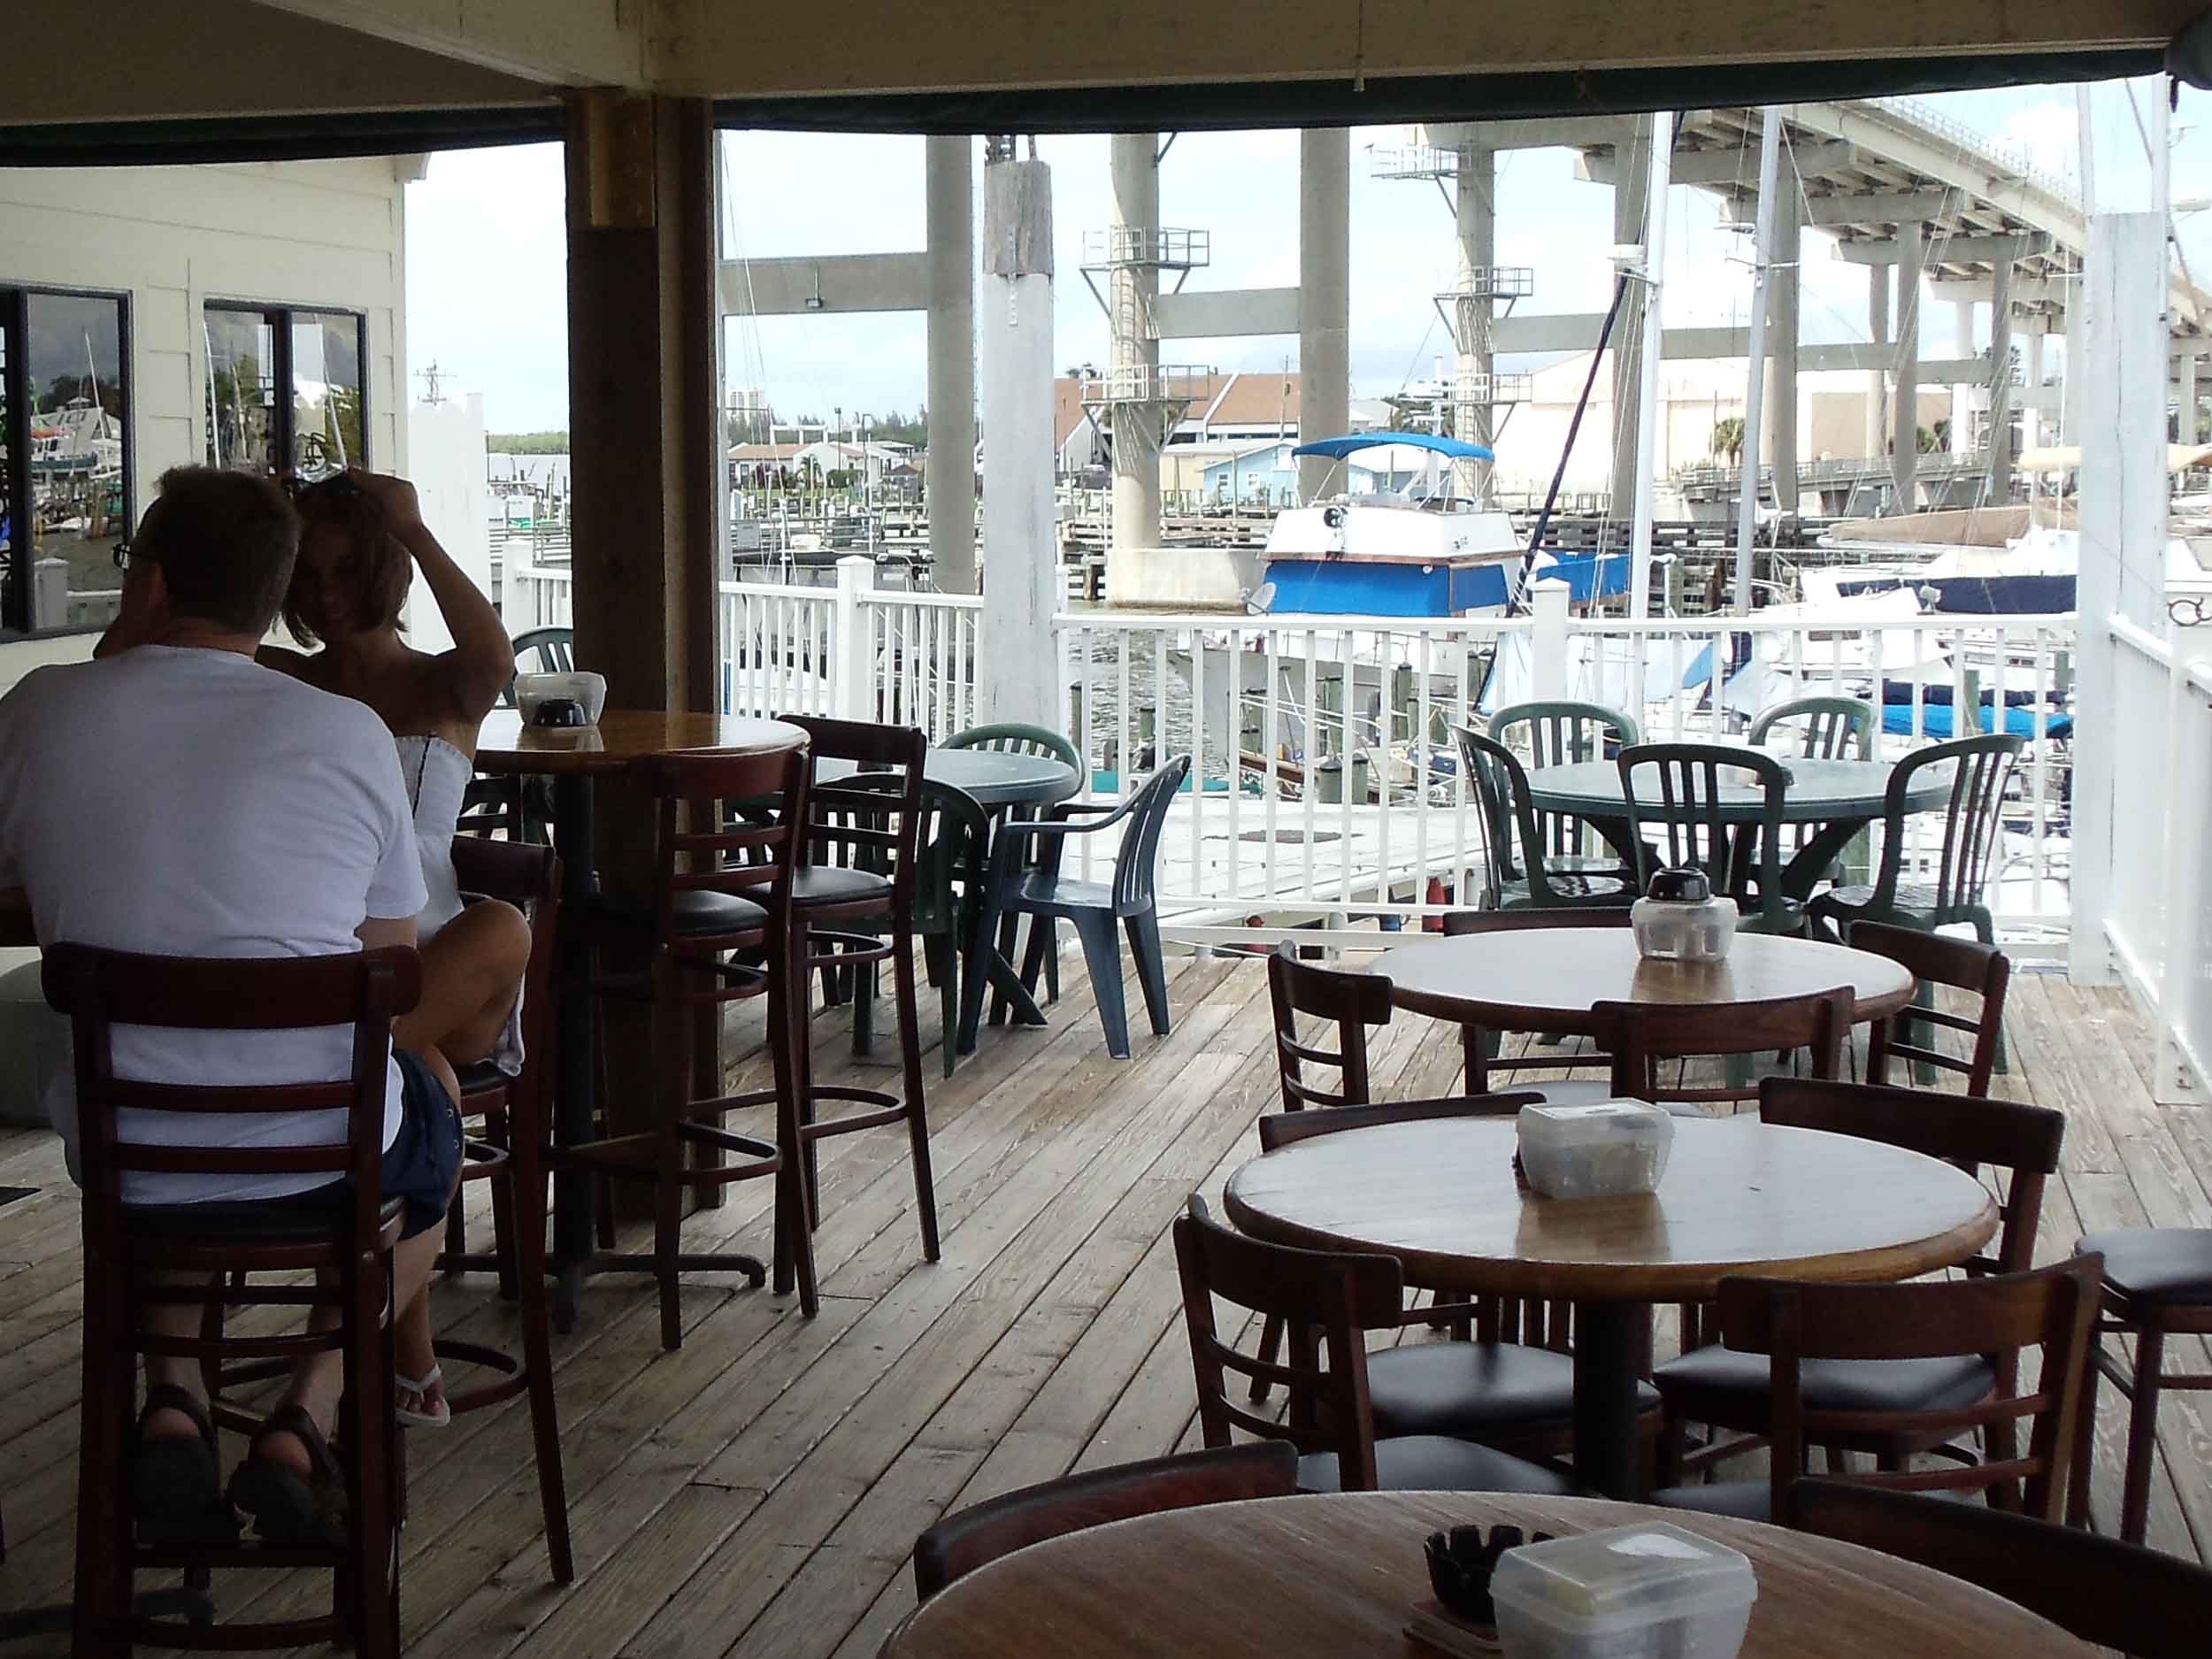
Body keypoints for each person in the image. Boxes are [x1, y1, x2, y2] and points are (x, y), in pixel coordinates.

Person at [0, 466, 458, 1550]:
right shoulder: (346, 733)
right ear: (271, 601)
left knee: (167, 1139)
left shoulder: (41, 711)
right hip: (323, 1152)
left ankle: (175, 1397)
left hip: (129, 1157)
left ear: (149, 584)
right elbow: (389, 970)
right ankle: (309, 1410)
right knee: (431, 1108)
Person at [260, 469, 522, 1427]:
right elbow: (160, 649)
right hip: (336, 968)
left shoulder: (440, 682)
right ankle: (404, 1352)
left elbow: (493, 652)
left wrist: (414, 525)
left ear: (380, 573)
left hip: (441, 966)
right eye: (306, 574)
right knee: (421, 1082)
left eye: (343, 571)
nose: (325, 595)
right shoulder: (283, 683)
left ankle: (393, 1352)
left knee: (505, 928)